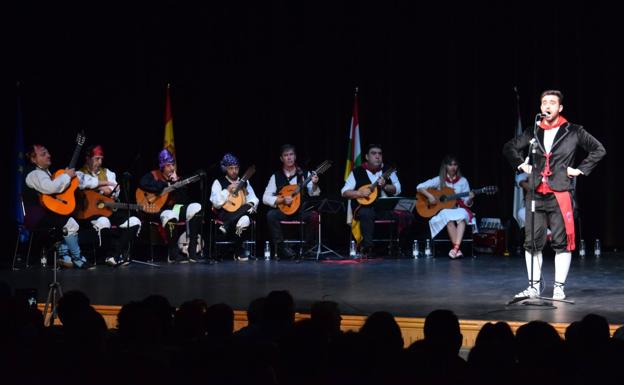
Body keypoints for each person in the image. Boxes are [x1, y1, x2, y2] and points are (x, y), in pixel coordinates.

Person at [503, 89, 606, 300]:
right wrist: (522, 165)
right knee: (532, 242)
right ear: (541, 108)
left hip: (559, 192)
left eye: (552, 102)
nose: (547, 106)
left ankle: (559, 286)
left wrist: (579, 169)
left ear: (560, 108)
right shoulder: (533, 131)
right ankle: (533, 286)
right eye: (544, 102)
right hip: (535, 192)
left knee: (561, 242)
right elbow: (510, 147)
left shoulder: (574, 130)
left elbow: (598, 149)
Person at [24, 144, 88, 268]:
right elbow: (50, 188)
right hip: (37, 217)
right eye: (43, 154)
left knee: (70, 221)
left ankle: (63, 255)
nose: (48, 155)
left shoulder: (45, 173)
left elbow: (56, 190)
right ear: (33, 159)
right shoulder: (34, 174)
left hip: (45, 214)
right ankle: (78, 259)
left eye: (48, 153)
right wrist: (67, 176)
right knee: (71, 224)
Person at [342, 144, 412, 257]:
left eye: (379, 154)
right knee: (366, 213)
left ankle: (401, 247)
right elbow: (344, 192)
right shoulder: (357, 171)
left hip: (384, 209)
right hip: (366, 209)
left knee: (406, 215)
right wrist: (359, 193)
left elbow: (397, 189)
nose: (377, 156)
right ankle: (368, 248)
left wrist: (385, 186)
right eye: (373, 153)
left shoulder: (388, 170)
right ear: (366, 157)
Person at [76, 145, 141, 266]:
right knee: (104, 221)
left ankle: (114, 256)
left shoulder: (108, 173)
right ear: (88, 159)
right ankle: (102, 256)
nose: (99, 162)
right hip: (90, 211)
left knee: (134, 221)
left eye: (101, 158)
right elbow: (82, 183)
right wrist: (101, 187)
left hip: (109, 209)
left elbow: (114, 189)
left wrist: (103, 189)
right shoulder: (79, 173)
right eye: (96, 158)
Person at [139, 149, 203, 263]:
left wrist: (176, 184)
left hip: (174, 208)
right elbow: (143, 184)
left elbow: (183, 201)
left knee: (196, 207)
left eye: (173, 164)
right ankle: (173, 254)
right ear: (162, 166)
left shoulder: (177, 178)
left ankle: (193, 253)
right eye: (168, 165)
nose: (172, 168)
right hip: (158, 209)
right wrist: (164, 184)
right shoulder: (153, 175)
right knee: (170, 214)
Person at [262, 144, 320, 259]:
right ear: (281, 158)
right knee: (271, 215)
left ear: (295, 156)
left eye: (291, 154)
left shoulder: (305, 174)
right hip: (284, 212)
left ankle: (308, 248)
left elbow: (315, 193)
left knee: (314, 216)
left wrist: (314, 184)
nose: (289, 158)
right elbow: (265, 198)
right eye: (286, 155)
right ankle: (281, 248)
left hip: (300, 211)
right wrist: (281, 200)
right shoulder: (276, 176)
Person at [416, 155, 475, 259]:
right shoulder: (439, 180)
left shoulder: (463, 181)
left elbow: (466, 202)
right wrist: (430, 196)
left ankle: (456, 249)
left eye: (455, 164)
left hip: (458, 208)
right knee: (448, 219)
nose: (453, 167)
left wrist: (470, 199)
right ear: (445, 166)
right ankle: (457, 249)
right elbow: (419, 187)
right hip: (445, 210)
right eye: (450, 164)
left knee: (462, 217)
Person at [210, 153, 259, 261]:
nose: (234, 171)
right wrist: (227, 190)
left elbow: (255, 199)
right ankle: (238, 251)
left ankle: (235, 246)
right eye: (231, 168)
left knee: (246, 217)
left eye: (236, 168)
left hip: (240, 212)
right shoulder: (218, 182)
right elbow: (216, 203)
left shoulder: (244, 182)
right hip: (225, 213)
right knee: (244, 216)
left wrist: (250, 203)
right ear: (225, 169)